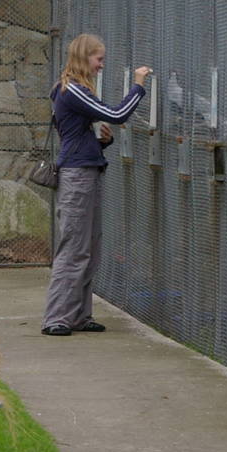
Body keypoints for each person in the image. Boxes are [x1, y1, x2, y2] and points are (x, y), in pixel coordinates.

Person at [41, 33, 152, 336]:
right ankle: (56, 318)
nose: (101, 65)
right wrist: (139, 85)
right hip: (77, 177)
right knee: (74, 249)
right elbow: (117, 114)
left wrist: (101, 142)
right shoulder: (72, 90)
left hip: (87, 171)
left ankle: (77, 315)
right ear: (83, 57)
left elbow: (78, 135)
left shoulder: (75, 90)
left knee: (89, 247)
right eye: (98, 59)